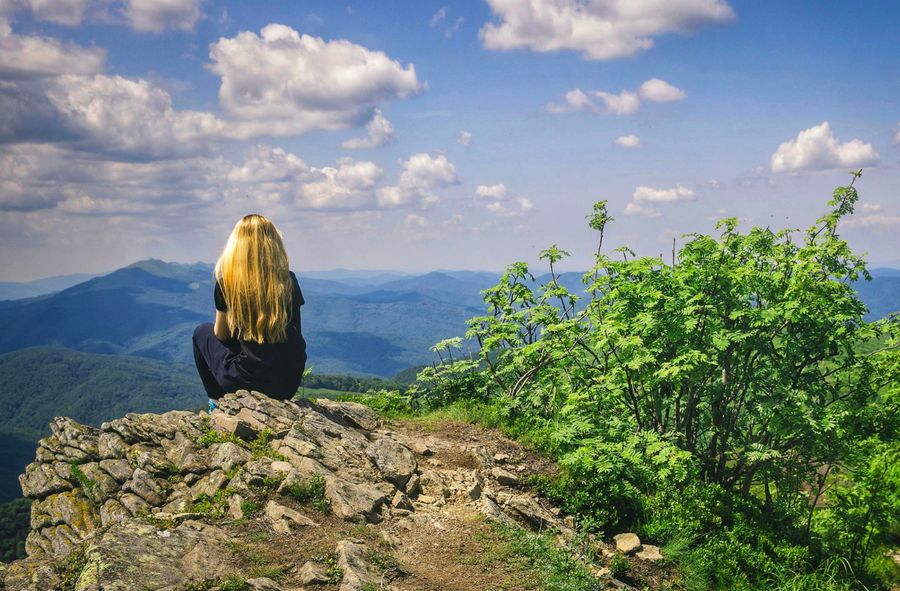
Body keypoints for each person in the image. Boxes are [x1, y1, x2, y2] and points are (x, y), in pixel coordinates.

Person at [192, 214, 307, 411]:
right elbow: (296, 331)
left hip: (245, 381)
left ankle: (217, 403)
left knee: (202, 332)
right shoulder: (289, 281)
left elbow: (221, 334)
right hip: (287, 382)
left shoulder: (227, 284)